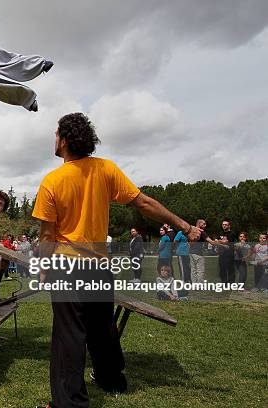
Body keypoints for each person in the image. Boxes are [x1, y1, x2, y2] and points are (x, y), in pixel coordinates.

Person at [31, 112, 200, 408]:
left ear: (65, 140)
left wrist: (44, 268)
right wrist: (184, 225)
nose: (54, 139)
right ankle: (112, 381)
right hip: (98, 267)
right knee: (102, 330)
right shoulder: (106, 169)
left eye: (56, 134)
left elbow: (47, 237)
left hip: (67, 267)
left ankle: (69, 403)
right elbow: (144, 202)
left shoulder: (52, 181)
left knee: (69, 337)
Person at [173, 230, 191, 299]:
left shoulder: (188, 232)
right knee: (183, 268)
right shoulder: (180, 232)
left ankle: (188, 282)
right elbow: (175, 240)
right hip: (181, 253)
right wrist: (174, 248)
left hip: (187, 253)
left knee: (187, 268)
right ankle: (183, 283)